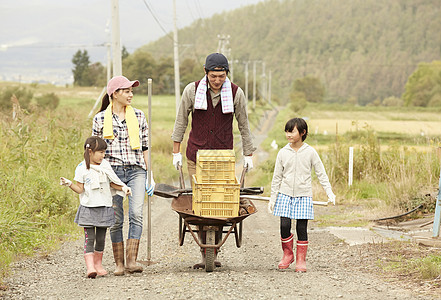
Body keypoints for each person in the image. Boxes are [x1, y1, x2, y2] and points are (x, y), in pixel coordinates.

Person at [171, 53, 256, 269]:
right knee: (201, 202)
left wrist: (248, 154)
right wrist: (176, 151)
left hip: (222, 157)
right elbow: (181, 120)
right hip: (196, 155)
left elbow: (243, 124)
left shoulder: (236, 93)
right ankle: (205, 252)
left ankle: (214, 248)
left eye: (221, 76)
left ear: (227, 74)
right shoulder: (192, 90)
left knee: (219, 202)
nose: (217, 80)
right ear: (205, 72)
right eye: (213, 76)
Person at [92, 75, 155, 276]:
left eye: (131, 91)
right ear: (115, 94)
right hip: (112, 175)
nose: (131, 94)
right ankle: (119, 263)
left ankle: (131, 261)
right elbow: (95, 153)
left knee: (136, 213)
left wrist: (150, 174)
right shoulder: (100, 119)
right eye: (127, 91)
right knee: (116, 218)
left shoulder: (139, 116)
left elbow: (145, 148)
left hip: (137, 171)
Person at [268, 118, 336, 272]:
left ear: (302, 132)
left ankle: (301, 260)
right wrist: (273, 198)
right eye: (287, 131)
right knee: (284, 225)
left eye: (291, 131)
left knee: (301, 227)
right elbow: (277, 177)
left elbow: (321, 173)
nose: (288, 134)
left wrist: (329, 192)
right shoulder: (283, 152)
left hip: (303, 195)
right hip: (285, 194)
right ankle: (288, 254)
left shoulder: (310, 152)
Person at [60, 136, 131, 278]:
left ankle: (98, 265)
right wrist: (69, 184)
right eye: (101, 152)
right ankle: (90, 267)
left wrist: (123, 188)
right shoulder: (81, 168)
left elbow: (112, 182)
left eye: (104, 152)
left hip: (104, 206)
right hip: (88, 208)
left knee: (101, 238)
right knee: (89, 238)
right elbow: (80, 189)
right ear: (90, 152)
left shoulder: (105, 166)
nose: (103, 155)